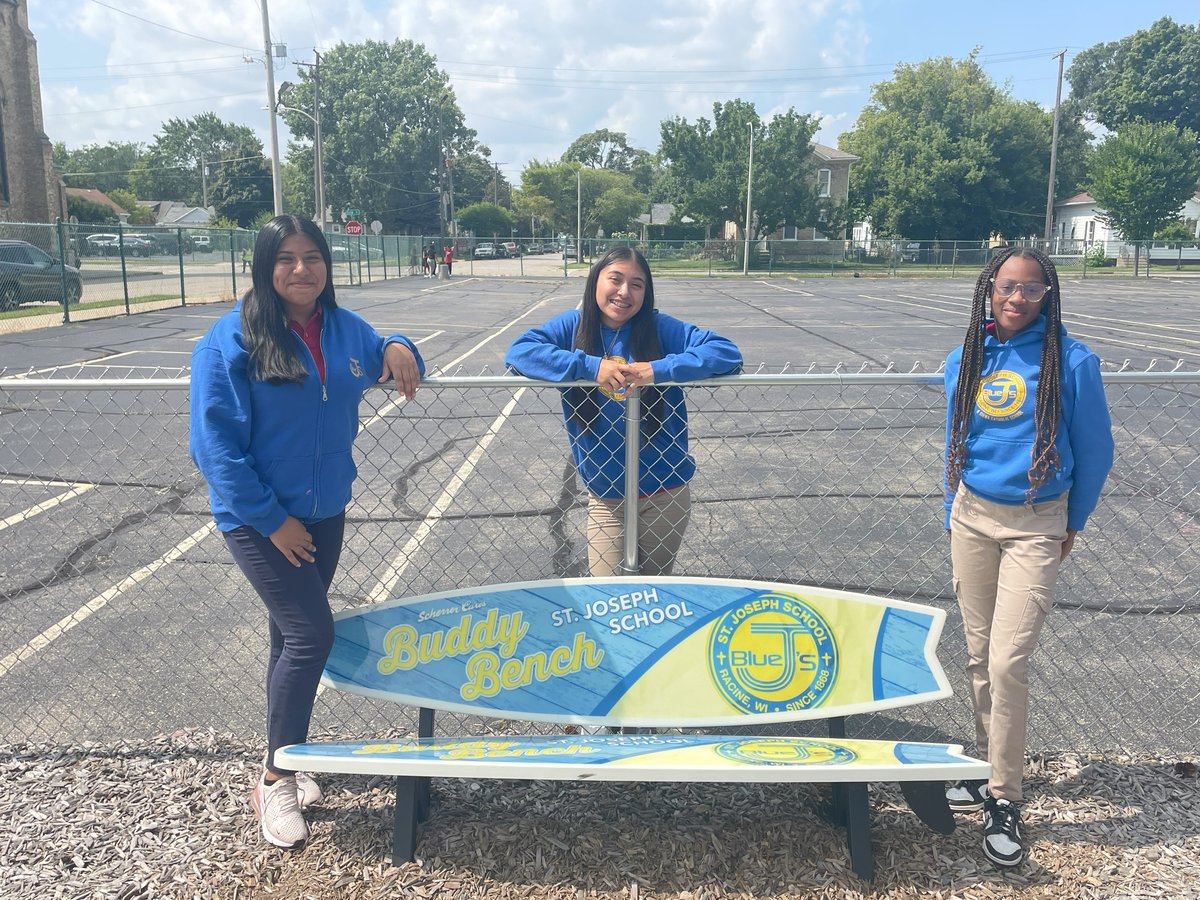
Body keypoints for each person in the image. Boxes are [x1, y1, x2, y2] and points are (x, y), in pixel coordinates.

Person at [189, 215, 424, 850]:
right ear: (264, 266)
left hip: (325, 512)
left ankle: (285, 752)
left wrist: (401, 343)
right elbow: (214, 449)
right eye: (286, 258)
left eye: (312, 257)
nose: (301, 270)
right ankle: (275, 776)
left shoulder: (345, 328)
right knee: (310, 634)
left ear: (327, 264)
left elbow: (387, 354)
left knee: (286, 638)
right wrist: (274, 521)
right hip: (260, 519)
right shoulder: (230, 341)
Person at [942, 246, 1113, 868]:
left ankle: (1004, 798)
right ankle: (993, 767)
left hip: (1037, 523)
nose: (1016, 299)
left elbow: (1096, 452)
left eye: (1030, 290)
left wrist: (1073, 523)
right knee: (977, 656)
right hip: (972, 518)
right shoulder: (967, 358)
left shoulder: (1072, 362)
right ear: (989, 289)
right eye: (1006, 287)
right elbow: (955, 441)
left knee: (1009, 662)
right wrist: (950, 510)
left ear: (1048, 294)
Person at [505, 247, 741, 576]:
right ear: (595, 281)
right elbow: (520, 352)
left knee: (652, 592)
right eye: (615, 279)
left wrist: (658, 370)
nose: (624, 292)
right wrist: (590, 367)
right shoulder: (573, 327)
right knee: (608, 598)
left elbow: (726, 352)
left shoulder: (658, 328)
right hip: (607, 499)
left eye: (637, 284)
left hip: (665, 494)